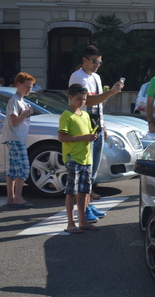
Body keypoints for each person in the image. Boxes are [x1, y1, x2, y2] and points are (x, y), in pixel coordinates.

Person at [69, 45, 124, 202]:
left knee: (94, 164)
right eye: (94, 61)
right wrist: (111, 92)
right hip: (83, 126)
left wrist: (103, 125)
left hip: (96, 124)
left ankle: (88, 193)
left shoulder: (96, 77)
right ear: (84, 60)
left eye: (99, 62)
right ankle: (81, 197)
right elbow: (88, 100)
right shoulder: (78, 76)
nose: (97, 65)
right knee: (85, 165)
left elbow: (98, 104)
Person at [58, 84, 100, 233]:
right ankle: (70, 223)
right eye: (78, 99)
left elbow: (88, 133)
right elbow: (62, 137)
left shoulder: (86, 115)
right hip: (73, 158)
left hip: (86, 158)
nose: (82, 102)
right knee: (71, 192)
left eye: (84, 99)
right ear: (70, 97)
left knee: (84, 192)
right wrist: (85, 137)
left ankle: (83, 221)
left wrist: (92, 135)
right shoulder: (66, 115)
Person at [0, 72, 35, 208]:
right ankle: (18, 197)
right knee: (23, 168)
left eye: (31, 87)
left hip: (14, 138)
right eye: (27, 86)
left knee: (13, 169)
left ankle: (11, 197)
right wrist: (26, 113)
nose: (29, 89)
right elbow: (14, 121)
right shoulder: (15, 100)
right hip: (16, 138)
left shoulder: (19, 100)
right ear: (18, 84)